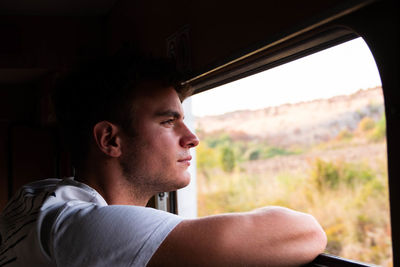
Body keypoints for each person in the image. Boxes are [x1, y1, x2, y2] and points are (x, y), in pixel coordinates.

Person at [0, 54, 327, 266]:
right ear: (110, 140)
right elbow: (306, 232)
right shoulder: (86, 229)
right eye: (168, 122)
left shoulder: (40, 197)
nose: (192, 138)